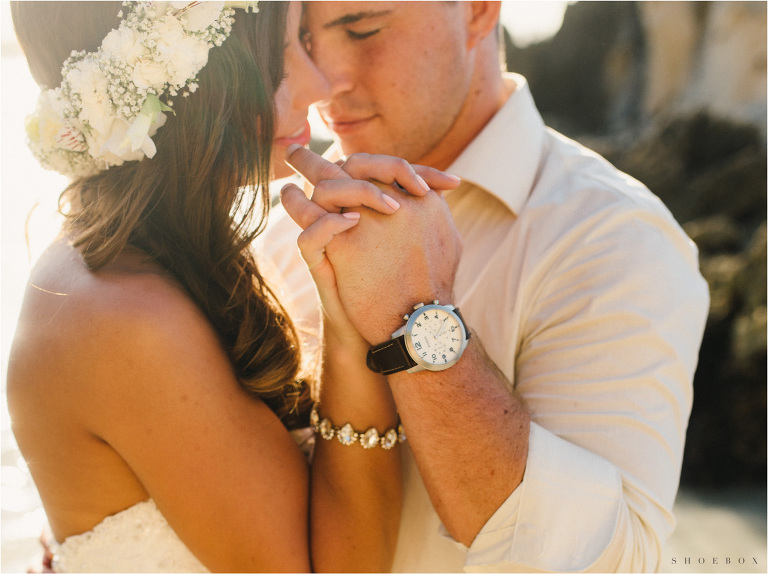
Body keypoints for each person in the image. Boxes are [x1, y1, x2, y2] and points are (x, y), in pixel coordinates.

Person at [7, 1, 460, 571]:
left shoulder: (159, 260)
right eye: (276, 59)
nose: (319, 87)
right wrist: (356, 328)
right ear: (181, 78)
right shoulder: (124, 316)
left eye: (303, 40)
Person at [262, 1, 711, 571]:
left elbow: (602, 563)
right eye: (302, 39)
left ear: (477, 10)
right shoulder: (271, 229)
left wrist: (413, 312)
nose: (325, 81)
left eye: (362, 28)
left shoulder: (618, 237)